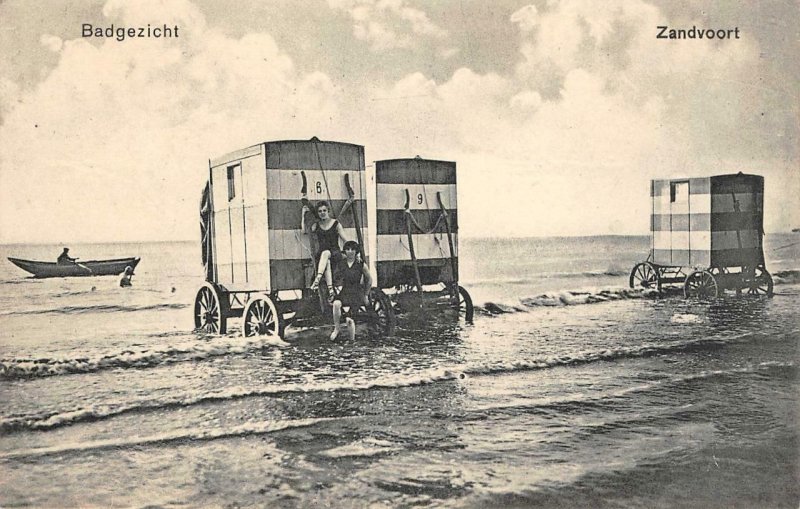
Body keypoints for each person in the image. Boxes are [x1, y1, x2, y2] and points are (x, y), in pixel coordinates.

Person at [303, 200, 348, 299]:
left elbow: (345, 240)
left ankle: (317, 280)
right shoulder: (317, 225)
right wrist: (303, 214)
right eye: (320, 211)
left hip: (335, 253)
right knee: (325, 259)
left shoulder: (336, 224)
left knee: (326, 253)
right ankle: (331, 290)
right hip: (323, 257)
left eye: (324, 210)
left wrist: (350, 252)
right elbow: (304, 231)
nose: (322, 213)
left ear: (328, 211)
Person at [330, 240, 371, 341]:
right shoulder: (342, 264)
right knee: (336, 304)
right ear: (345, 251)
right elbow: (336, 277)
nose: (350, 251)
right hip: (345, 291)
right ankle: (337, 329)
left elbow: (369, 279)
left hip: (357, 293)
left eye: (353, 249)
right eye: (347, 249)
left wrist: (366, 295)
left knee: (349, 320)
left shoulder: (361, 264)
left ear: (356, 251)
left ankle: (352, 341)